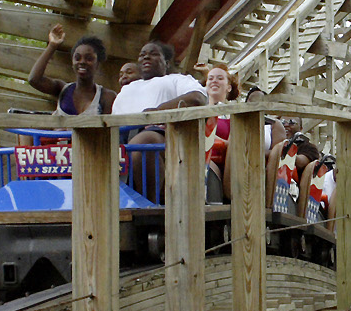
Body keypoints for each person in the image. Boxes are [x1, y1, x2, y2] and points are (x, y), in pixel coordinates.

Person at [112, 41, 208, 197]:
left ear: (167, 63)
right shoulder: (125, 90)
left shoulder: (177, 79)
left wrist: (157, 112)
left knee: (143, 141)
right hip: (124, 135)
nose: (146, 57)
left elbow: (198, 98)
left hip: (161, 135)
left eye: (153, 54)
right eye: (142, 54)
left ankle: (149, 204)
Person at [26, 25, 114, 116]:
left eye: (89, 58)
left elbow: (107, 129)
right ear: (72, 63)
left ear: (98, 64)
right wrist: (52, 46)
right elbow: (34, 80)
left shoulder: (106, 97)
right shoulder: (62, 90)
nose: (82, 62)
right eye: (77, 58)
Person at [202, 64, 238, 201]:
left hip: (226, 163)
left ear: (228, 87)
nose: (214, 81)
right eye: (210, 78)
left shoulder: (234, 115)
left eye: (219, 78)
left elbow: (236, 141)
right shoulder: (197, 111)